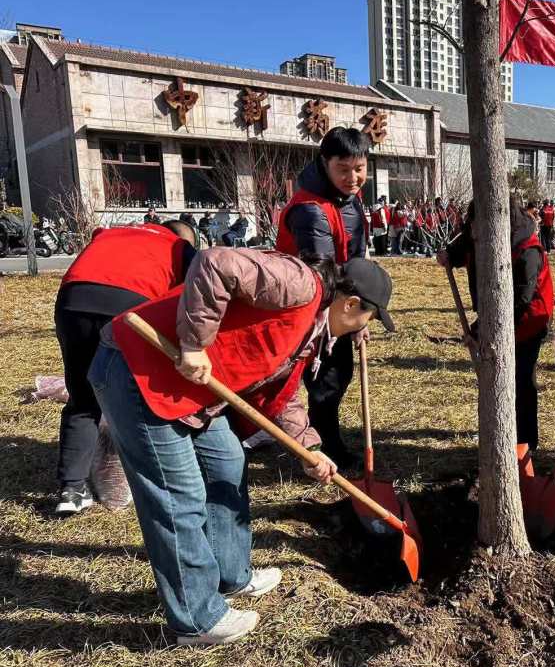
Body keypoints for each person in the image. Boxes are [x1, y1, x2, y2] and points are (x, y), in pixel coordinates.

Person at [90, 248, 394, 645]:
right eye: (366, 320)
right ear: (351, 303)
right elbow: (215, 263)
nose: (360, 330)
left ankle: (232, 576)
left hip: (190, 392)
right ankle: (196, 620)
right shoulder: (300, 285)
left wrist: (309, 447)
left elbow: (279, 397)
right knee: (179, 496)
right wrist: (194, 343)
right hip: (139, 370)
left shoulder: (310, 332)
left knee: (227, 463)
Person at [53, 221, 198, 514]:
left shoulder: (112, 232)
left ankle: (72, 490)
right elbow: (194, 302)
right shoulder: (180, 249)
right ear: (184, 237)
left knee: (82, 400)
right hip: (130, 306)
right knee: (141, 393)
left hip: (73, 301)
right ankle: (150, 475)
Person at [274, 126, 371, 468]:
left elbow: (356, 259)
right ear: (325, 163)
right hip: (308, 307)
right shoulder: (311, 209)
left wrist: (361, 313)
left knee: (337, 375)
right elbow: (323, 273)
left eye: (359, 168)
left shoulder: (351, 201)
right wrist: (350, 318)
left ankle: (321, 433)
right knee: (325, 379)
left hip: (337, 304)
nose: (353, 177)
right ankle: (323, 449)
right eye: (343, 169)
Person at [438, 196, 554, 454]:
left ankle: (525, 442)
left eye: (482, 225)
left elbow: (521, 300)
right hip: (494, 316)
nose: (476, 231)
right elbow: (463, 249)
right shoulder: (477, 234)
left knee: (522, 379)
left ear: (504, 223)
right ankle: (500, 430)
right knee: (496, 373)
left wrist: (481, 327)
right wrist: (449, 256)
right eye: (473, 225)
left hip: (529, 320)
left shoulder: (527, 250)